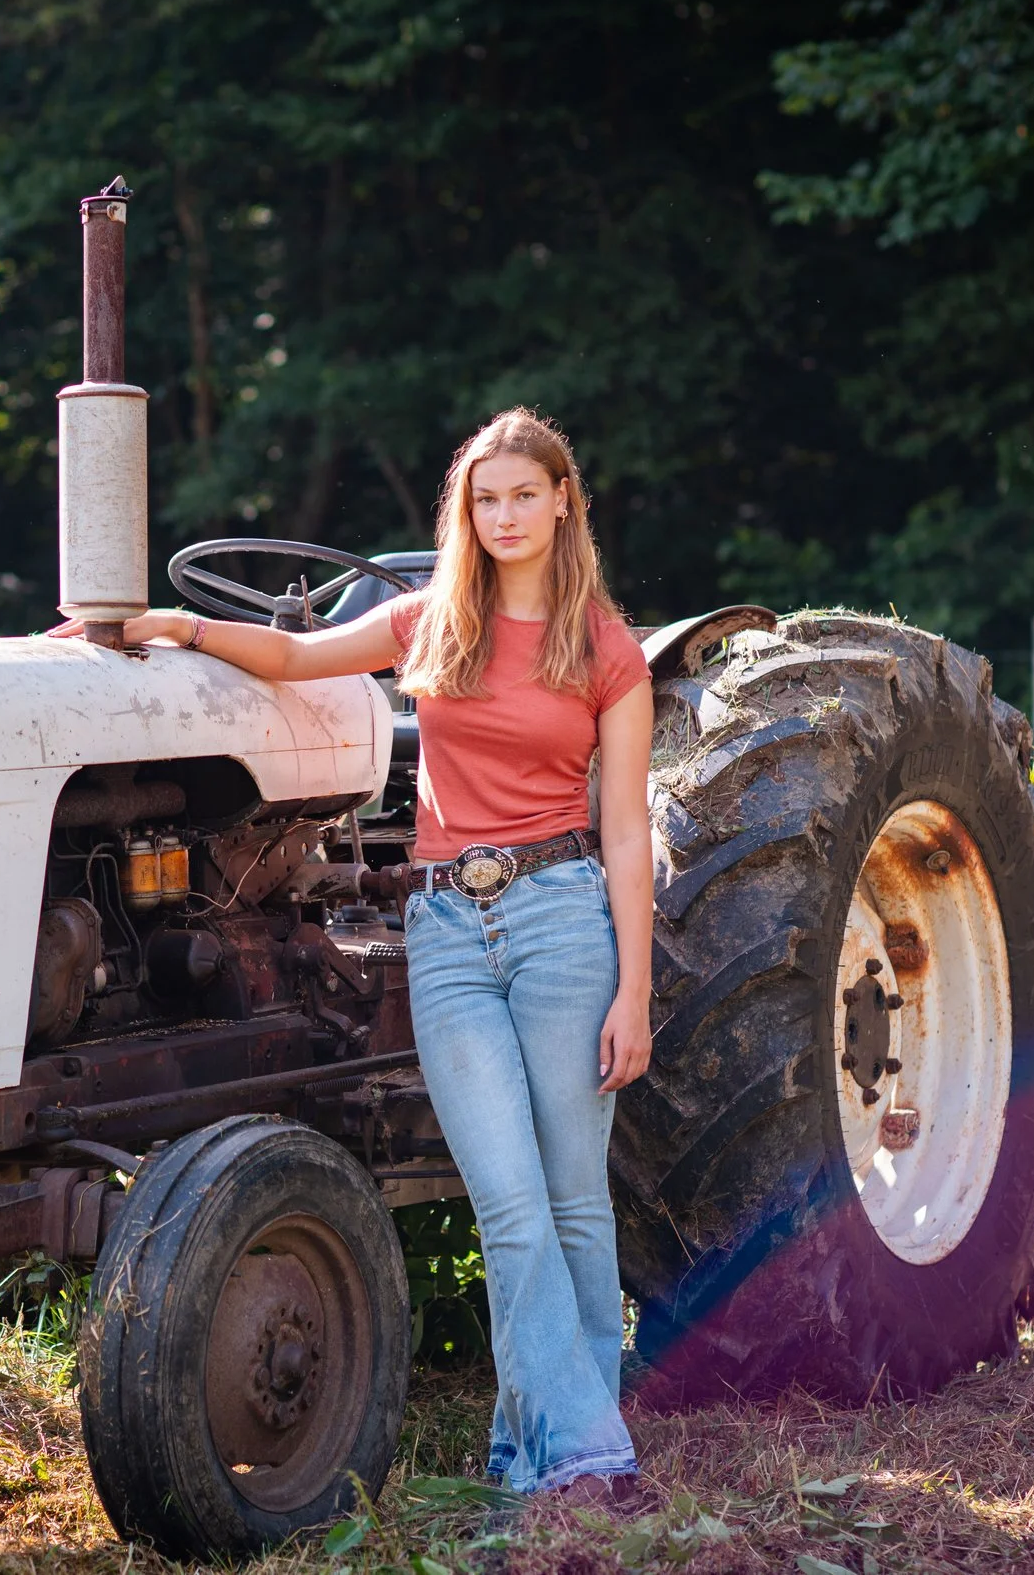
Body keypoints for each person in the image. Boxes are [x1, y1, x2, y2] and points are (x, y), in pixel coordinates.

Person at [62, 407, 653, 1500]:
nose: (505, 514)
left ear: (564, 499)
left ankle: (549, 1447)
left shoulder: (605, 650)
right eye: (486, 499)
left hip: (565, 918)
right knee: (511, 1204)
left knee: (574, 1201)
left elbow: (624, 831)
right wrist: (173, 629)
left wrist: (637, 990)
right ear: (462, 514)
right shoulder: (433, 619)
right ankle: (580, 1453)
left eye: (525, 493)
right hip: (443, 929)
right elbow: (291, 655)